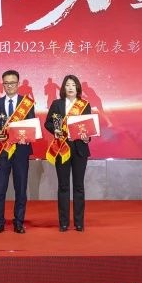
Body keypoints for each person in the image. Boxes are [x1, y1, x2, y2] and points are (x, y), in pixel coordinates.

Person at [44, 74, 93, 232]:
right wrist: (55, 130)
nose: (70, 87)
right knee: (63, 186)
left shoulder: (84, 105)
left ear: (77, 88)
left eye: (73, 85)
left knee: (79, 186)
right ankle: (63, 222)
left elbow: (88, 127)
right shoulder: (57, 104)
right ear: (63, 88)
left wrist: (87, 137)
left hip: (80, 149)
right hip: (62, 148)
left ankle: (79, 222)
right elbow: (47, 123)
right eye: (67, 85)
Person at [0, 70, 35, 234]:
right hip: (2, 150)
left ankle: (19, 221)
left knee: (20, 187)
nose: (9, 86)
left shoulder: (27, 103)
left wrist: (25, 137)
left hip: (21, 150)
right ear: (3, 84)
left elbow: (31, 125)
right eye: (6, 83)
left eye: (13, 83)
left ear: (18, 84)